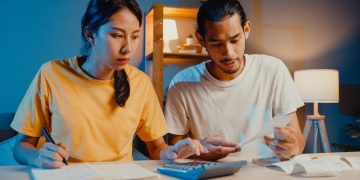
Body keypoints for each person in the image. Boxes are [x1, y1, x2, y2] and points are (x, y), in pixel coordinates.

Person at [11, 0, 208, 169]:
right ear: (90, 34)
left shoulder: (141, 83)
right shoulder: (51, 74)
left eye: (135, 36)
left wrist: (172, 152)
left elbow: (156, 149)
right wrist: (37, 157)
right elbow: (21, 147)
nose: (128, 48)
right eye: (117, 35)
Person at [165, 0, 306, 161]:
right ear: (201, 39)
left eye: (235, 40)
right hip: (212, 174)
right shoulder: (182, 84)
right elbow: (175, 152)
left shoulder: (273, 69)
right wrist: (204, 153)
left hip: (267, 172)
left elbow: (299, 142)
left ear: (246, 30)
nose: (229, 53)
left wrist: (293, 146)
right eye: (216, 43)